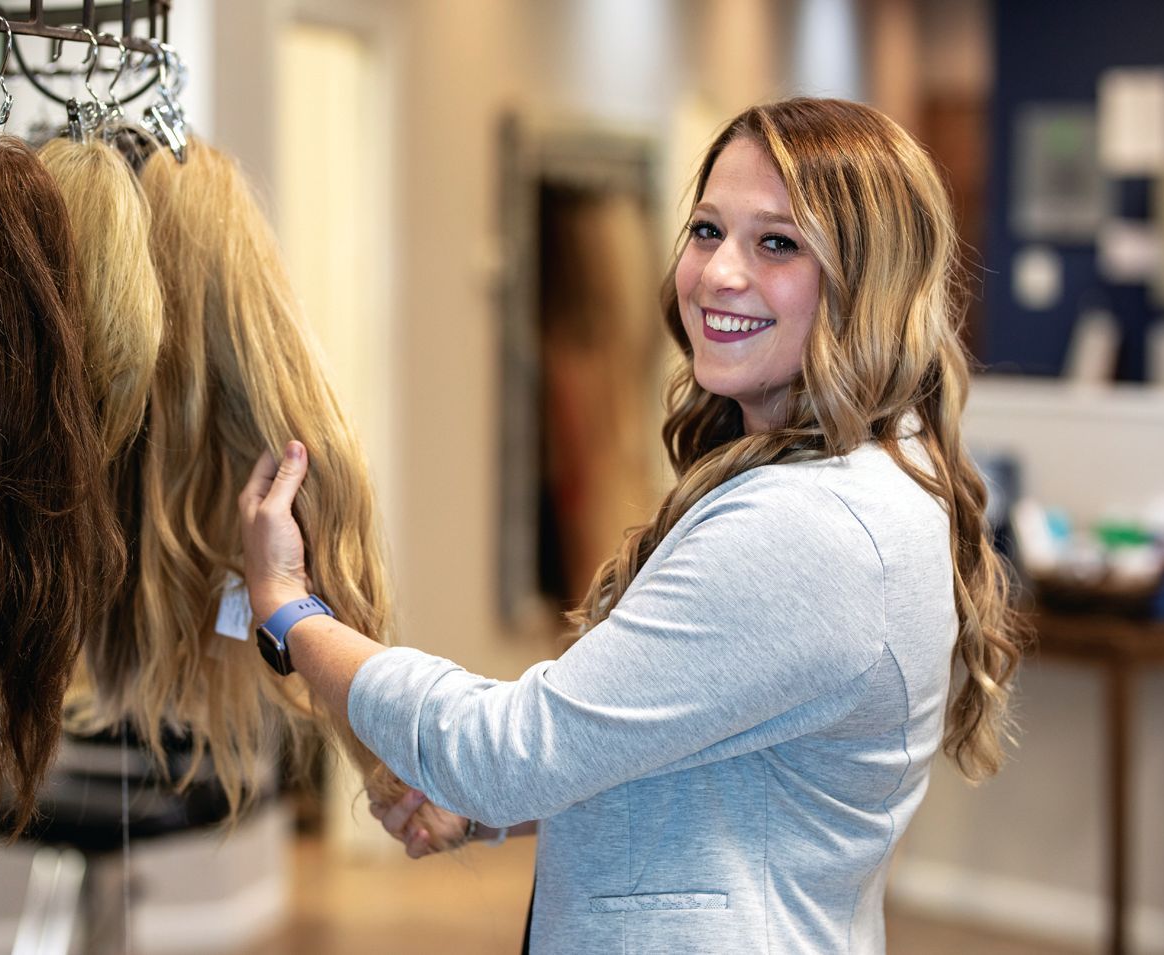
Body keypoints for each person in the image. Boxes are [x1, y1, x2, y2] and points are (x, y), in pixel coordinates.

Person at [239, 97, 1022, 954]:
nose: (718, 273)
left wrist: (288, 609)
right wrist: (487, 810)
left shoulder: (807, 526)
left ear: (869, 281)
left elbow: (502, 749)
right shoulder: (867, 480)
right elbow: (691, 751)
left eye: (778, 242)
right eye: (705, 229)